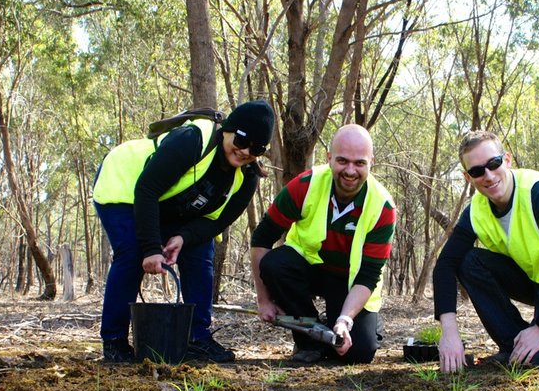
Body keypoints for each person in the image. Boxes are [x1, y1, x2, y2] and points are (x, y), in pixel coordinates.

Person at [93, 100, 276, 363]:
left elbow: (215, 223)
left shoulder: (247, 177)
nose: (245, 151)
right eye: (241, 140)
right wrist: (151, 248)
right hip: (124, 184)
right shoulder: (191, 139)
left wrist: (183, 237)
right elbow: (147, 190)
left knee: (200, 252)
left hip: (170, 206)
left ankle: (197, 338)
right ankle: (114, 341)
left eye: (256, 149)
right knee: (133, 253)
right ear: (227, 130)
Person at [433, 130, 539, 372]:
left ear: (507, 159)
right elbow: (445, 264)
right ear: (468, 177)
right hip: (538, 281)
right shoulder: (476, 211)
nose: (488, 176)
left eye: (494, 164)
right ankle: (513, 345)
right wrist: (450, 333)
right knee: (468, 261)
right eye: (477, 171)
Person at [250, 124, 395, 364]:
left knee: (358, 353)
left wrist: (345, 320)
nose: (350, 171)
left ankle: (350, 323)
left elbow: (369, 275)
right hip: (309, 270)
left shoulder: (383, 207)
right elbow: (262, 238)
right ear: (329, 158)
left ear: (372, 162)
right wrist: (263, 300)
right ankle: (309, 341)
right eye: (342, 161)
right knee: (274, 265)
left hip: (350, 283)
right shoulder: (305, 185)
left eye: (359, 163)